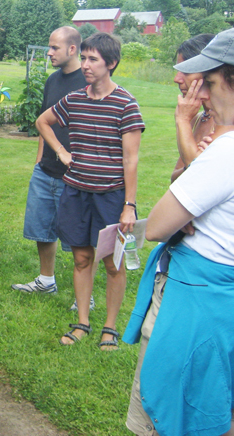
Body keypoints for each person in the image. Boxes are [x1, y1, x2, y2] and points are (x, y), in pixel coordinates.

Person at [124, 27, 234, 436]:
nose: (200, 93)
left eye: (211, 82)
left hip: (197, 305)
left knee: (171, 410)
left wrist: (181, 125)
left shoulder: (226, 150)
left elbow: (157, 226)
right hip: (222, 303)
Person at [35, 32, 144, 350]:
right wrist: (60, 151)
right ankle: (82, 322)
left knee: (112, 263)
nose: (85, 65)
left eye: (93, 59)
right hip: (76, 192)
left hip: (110, 196)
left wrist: (129, 205)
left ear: (111, 63)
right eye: (83, 58)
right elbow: (43, 121)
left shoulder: (126, 104)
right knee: (81, 259)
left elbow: (131, 158)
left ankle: (109, 328)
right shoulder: (75, 100)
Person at [12, 27, 89, 305]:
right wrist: (38, 162)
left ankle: (85, 294)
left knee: (80, 236)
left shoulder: (88, 82)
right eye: (49, 46)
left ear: (72, 49)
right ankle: (46, 281)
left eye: (55, 47)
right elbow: (45, 125)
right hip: (46, 170)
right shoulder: (52, 81)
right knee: (41, 227)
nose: (49, 52)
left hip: (76, 174)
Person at [171, 34, 216, 182]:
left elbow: (200, 179)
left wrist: (182, 120)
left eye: (186, 71)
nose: (177, 79)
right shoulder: (197, 119)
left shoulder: (227, 121)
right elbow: (175, 179)